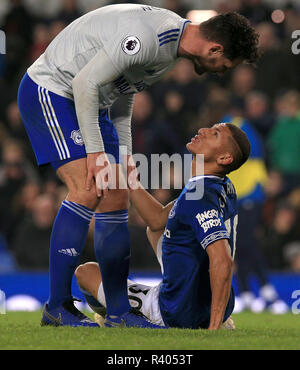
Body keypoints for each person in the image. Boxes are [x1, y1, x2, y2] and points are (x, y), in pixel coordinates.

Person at [17, 4, 259, 327]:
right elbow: (85, 82)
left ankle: (119, 310)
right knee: (88, 188)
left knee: (117, 192)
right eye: (225, 64)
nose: (222, 71)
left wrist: (125, 155)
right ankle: (57, 306)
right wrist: (95, 153)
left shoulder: (169, 51)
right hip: (54, 89)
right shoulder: (148, 39)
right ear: (215, 49)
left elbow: (122, 95)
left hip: (93, 102)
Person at [75, 122, 251, 330]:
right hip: (206, 303)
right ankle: (215, 317)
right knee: (156, 229)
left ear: (224, 158)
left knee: (85, 273)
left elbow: (223, 260)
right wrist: (131, 181)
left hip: (176, 312)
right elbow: (157, 219)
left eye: (214, 134)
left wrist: (211, 330)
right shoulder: (222, 186)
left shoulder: (199, 197)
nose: (202, 131)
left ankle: (118, 318)